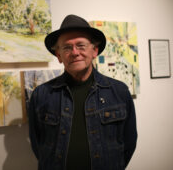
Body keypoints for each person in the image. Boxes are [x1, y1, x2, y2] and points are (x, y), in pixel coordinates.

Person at [28, 14, 137, 170]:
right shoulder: (42, 95)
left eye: (81, 45)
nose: (75, 52)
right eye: (67, 47)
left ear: (94, 51)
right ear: (58, 55)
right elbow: (39, 145)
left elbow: (129, 142)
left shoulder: (119, 92)